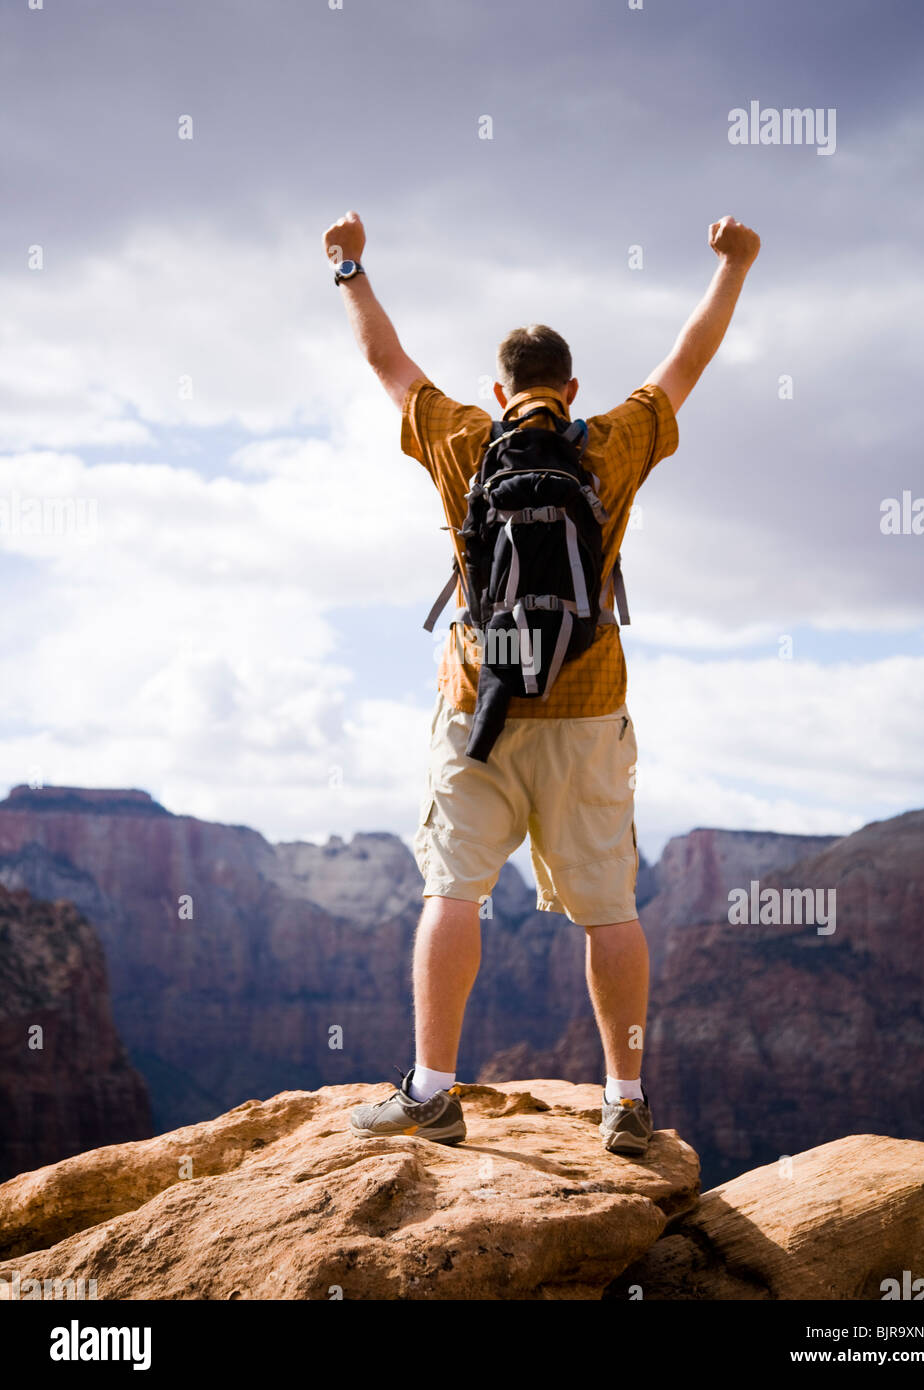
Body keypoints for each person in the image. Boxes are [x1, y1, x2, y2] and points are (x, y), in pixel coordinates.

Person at [323, 209, 760, 1155]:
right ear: (569, 389)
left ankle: (433, 1091)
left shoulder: (460, 438)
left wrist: (350, 265)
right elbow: (689, 356)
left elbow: (385, 362)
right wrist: (734, 266)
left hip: (476, 705)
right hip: (588, 706)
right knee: (610, 910)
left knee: (453, 891)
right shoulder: (615, 440)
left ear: (499, 389)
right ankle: (626, 1102)